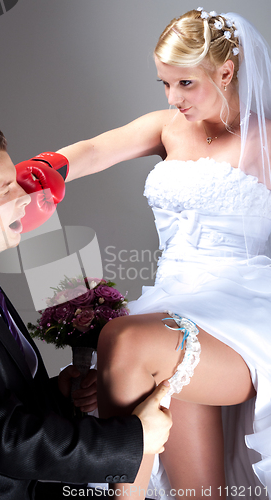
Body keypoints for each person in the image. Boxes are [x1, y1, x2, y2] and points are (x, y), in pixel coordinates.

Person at [56, 8, 271, 500]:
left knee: (126, 340)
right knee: (198, 491)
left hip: (242, 310)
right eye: (165, 84)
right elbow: (93, 149)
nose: (174, 99)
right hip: (172, 303)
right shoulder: (168, 127)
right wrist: (41, 170)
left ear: (226, 72)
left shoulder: (269, 142)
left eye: (186, 84)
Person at [0, 121, 173, 500]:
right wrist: (134, 439)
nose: (25, 196)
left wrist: (56, 395)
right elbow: (0, 437)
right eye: (6, 189)